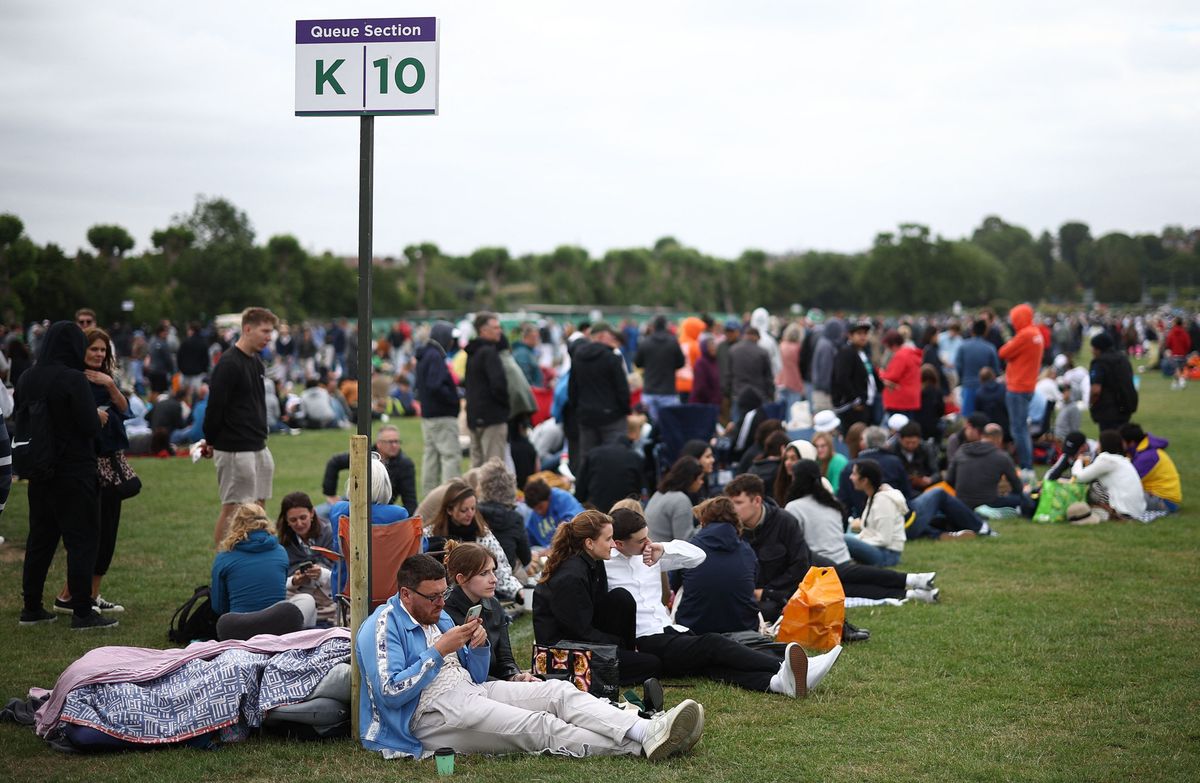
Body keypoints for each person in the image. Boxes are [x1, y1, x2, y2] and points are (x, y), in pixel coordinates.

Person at [357, 551, 704, 761]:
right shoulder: (382, 626)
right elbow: (390, 693)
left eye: (442, 594)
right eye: (432, 597)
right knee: (538, 726)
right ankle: (639, 746)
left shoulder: (439, 616)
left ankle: (646, 729)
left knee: (558, 692)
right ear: (406, 594)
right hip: (423, 717)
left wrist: (477, 648)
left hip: (468, 691)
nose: (440, 603)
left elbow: (474, 675)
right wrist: (438, 651)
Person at [605, 505, 842, 698]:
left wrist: (663, 549)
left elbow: (698, 556)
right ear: (619, 543)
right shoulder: (605, 566)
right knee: (713, 644)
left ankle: (776, 683)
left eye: (648, 536)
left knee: (712, 666)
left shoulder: (650, 553)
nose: (647, 542)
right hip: (645, 640)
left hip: (669, 630)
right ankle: (789, 667)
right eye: (641, 540)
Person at [726, 471, 937, 620]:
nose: (733, 509)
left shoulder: (784, 520)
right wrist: (770, 593)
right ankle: (913, 594)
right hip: (787, 587)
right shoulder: (734, 529)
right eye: (731, 503)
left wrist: (769, 590)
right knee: (848, 589)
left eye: (738, 503)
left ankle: (913, 579)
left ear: (757, 501)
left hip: (807, 567)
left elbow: (799, 564)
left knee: (849, 573)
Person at [16, 321, 115, 630]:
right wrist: (98, 417)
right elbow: (88, 424)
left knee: (40, 539)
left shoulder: (28, 377)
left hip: (40, 470)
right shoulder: (72, 378)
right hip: (74, 470)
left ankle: (31, 606)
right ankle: (82, 610)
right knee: (82, 540)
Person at [53, 327, 130, 616]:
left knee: (107, 532)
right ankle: (70, 595)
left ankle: (91, 593)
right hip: (86, 464)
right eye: (93, 349)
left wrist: (110, 385)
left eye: (102, 350)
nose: (98, 354)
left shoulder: (106, 379)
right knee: (90, 534)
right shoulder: (73, 378)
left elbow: (125, 410)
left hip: (110, 465)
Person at [202, 307, 278, 547]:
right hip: (235, 447)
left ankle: (252, 558)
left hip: (258, 444)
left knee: (259, 505)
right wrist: (210, 440)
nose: (269, 337)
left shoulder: (256, 362)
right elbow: (215, 408)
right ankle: (222, 562)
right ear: (247, 329)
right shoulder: (228, 363)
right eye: (264, 331)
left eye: (271, 332)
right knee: (234, 509)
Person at [211, 503, 317, 628]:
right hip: (276, 627)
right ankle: (304, 636)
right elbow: (278, 591)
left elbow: (218, 607)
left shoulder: (223, 557)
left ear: (235, 523)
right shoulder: (280, 551)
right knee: (307, 599)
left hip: (240, 626)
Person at [424, 478, 522, 600]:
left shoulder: (483, 535)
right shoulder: (430, 534)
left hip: (477, 596)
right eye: (464, 510)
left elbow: (501, 570)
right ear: (449, 510)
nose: (470, 514)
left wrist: (518, 591)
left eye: (473, 508)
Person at [674, 497, 760, 635]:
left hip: (694, 628)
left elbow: (673, 586)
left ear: (703, 522)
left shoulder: (689, 549)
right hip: (743, 627)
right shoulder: (747, 551)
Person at [568, 322, 632, 461]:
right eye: (611, 335)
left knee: (588, 458)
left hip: (586, 415)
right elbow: (622, 389)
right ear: (602, 336)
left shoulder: (578, 357)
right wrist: (625, 410)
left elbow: (572, 388)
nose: (613, 339)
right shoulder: (612, 358)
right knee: (614, 457)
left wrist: (579, 410)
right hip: (612, 417)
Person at [322, 425, 418, 515]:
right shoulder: (363, 455)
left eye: (397, 441)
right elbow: (335, 462)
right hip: (352, 503)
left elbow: (410, 502)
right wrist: (331, 494)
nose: (394, 445)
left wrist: (398, 520)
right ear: (379, 443)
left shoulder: (405, 465)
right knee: (319, 515)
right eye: (390, 442)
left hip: (380, 508)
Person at [415, 320, 462, 495]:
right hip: (442, 414)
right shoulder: (435, 356)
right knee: (450, 456)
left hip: (429, 414)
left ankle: (430, 495)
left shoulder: (425, 354)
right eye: (450, 338)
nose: (452, 342)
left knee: (431, 456)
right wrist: (452, 399)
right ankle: (452, 495)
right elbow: (435, 385)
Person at [276, 491, 336, 625]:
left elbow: (342, 575)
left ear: (312, 513)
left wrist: (321, 574)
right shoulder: (282, 543)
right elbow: (278, 580)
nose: (299, 523)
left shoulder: (330, 535)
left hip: (327, 594)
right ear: (286, 520)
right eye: (293, 520)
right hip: (298, 595)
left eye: (303, 517)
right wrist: (295, 581)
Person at [998, 304, 1045, 476]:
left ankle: (1026, 467)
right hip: (1028, 385)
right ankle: (1027, 465)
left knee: (1018, 430)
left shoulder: (1025, 335)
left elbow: (1003, 352)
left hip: (1017, 386)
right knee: (1022, 428)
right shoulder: (1035, 333)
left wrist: (1010, 341)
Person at [464, 311, 510, 468]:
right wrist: (505, 407)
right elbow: (499, 385)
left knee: (477, 466)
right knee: (494, 467)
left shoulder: (472, 352)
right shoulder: (489, 352)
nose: (499, 331)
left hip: (475, 415)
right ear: (483, 330)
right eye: (495, 328)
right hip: (492, 418)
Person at [574, 416, 645, 513]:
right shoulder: (635, 457)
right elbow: (640, 489)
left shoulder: (593, 454)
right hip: (624, 511)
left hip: (595, 510)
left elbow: (580, 488)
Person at [1070, 431, 1147, 520]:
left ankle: (1106, 512)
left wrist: (1079, 460)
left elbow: (1079, 477)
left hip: (1125, 512)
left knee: (1094, 486)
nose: (1097, 446)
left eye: (1099, 442)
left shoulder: (1105, 459)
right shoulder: (1122, 459)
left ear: (1104, 444)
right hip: (1138, 510)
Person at [843, 460, 907, 566]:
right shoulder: (873, 496)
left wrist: (857, 541)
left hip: (887, 555)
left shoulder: (883, 501)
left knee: (842, 539)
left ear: (865, 480)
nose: (851, 477)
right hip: (879, 550)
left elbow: (884, 540)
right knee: (844, 536)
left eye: (854, 474)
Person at [475, 458, 531, 573]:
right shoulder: (515, 518)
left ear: (482, 487)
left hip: (478, 572)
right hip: (506, 573)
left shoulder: (474, 514)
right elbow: (526, 559)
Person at [1120, 423, 1182, 513]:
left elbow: (1126, 482)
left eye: (1122, 442)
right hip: (1164, 499)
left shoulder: (1147, 457)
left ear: (1131, 442)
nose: (1120, 445)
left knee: (1120, 498)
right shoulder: (1146, 451)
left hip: (1166, 502)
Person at [634, 315, 685, 423]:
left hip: (649, 390)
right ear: (666, 326)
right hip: (669, 391)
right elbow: (681, 363)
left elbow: (637, 363)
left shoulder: (645, 342)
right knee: (670, 424)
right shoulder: (673, 342)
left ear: (653, 326)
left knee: (650, 424)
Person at [831, 320, 881, 431]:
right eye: (859, 334)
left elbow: (869, 374)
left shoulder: (862, 352)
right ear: (850, 335)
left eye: (865, 333)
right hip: (853, 407)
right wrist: (855, 400)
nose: (863, 337)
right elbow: (842, 379)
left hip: (867, 402)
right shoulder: (846, 352)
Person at [644, 456, 703, 542]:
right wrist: (706, 528)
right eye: (700, 478)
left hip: (653, 546)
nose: (701, 482)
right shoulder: (680, 500)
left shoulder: (659, 493)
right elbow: (685, 540)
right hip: (664, 549)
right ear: (691, 479)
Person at [1089, 333, 1138, 432]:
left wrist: (1091, 403)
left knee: (1109, 439)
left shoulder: (1099, 363)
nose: (1092, 351)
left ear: (1099, 348)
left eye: (1093, 348)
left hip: (1107, 410)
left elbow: (1096, 390)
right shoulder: (1123, 359)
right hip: (1125, 406)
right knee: (1122, 437)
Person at [523, 477, 586, 550]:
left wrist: (552, 548)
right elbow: (528, 539)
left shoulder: (562, 499)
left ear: (549, 498)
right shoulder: (534, 515)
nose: (539, 512)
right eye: (535, 510)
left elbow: (575, 523)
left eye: (540, 507)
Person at [955, 319, 1000, 417]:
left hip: (968, 385)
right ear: (985, 332)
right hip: (986, 388)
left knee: (968, 418)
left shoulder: (963, 346)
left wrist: (963, 379)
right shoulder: (990, 348)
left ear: (972, 331)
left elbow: (958, 367)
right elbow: (996, 370)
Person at [879, 329, 922, 420]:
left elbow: (892, 376)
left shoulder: (901, 355)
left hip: (899, 400)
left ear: (893, 345)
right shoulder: (910, 353)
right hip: (911, 399)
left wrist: (880, 373)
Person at [1165, 317, 1192, 389]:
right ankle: (1175, 383)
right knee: (1180, 369)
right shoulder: (1184, 333)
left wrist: (1170, 348)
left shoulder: (1172, 332)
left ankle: (1181, 381)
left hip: (1174, 354)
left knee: (1177, 369)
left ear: (1175, 323)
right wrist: (1186, 351)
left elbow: (1168, 343)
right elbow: (1188, 343)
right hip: (1183, 354)